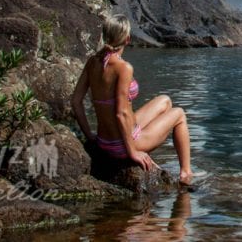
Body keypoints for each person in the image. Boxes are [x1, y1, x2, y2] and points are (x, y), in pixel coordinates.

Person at [71, 13, 194, 184]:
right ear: (127, 39)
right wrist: (132, 153)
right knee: (179, 114)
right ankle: (186, 173)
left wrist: (90, 136)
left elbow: (75, 102)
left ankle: (148, 154)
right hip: (123, 144)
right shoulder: (123, 68)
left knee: (165, 101)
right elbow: (121, 114)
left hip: (104, 140)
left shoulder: (93, 62)